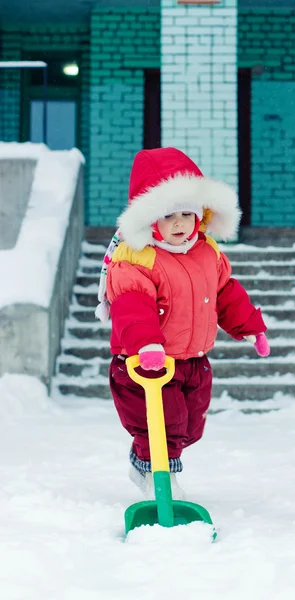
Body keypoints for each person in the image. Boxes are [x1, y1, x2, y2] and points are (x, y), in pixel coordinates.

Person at [95, 147, 270, 499]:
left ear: (201, 216)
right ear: (150, 221)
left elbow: (225, 293)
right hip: (143, 363)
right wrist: (146, 345)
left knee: (190, 426)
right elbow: (132, 305)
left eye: (186, 214)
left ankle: (142, 461)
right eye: (168, 215)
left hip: (192, 361)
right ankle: (160, 483)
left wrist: (249, 324)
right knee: (164, 424)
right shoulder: (137, 259)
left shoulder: (207, 253)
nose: (178, 224)